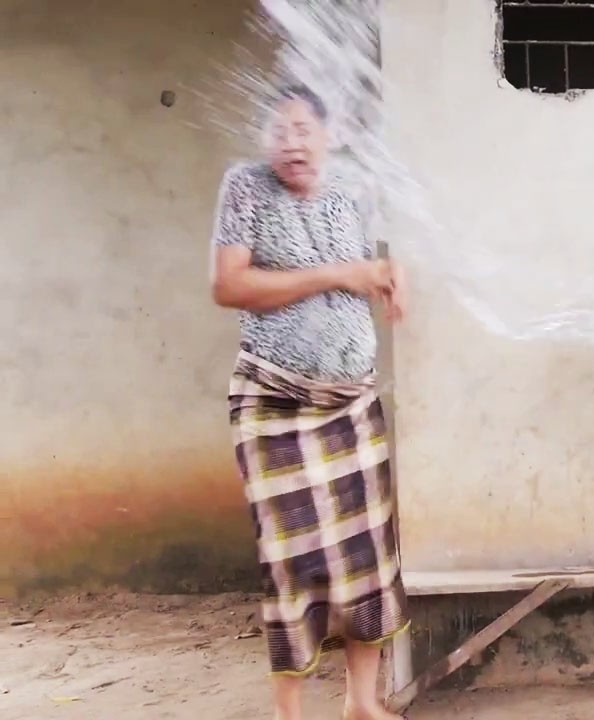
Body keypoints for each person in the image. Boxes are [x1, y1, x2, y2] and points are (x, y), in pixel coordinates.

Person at [210, 84, 408, 720]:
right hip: (274, 403)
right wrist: (337, 274)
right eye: (278, 131)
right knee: (291, 559)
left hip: (350, 401)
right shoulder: (245, 186)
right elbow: (229, 285)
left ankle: (361, 703)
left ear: (328, 135)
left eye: (302, 130)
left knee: (366, 555)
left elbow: (372, 265)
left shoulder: (350, 189)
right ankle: (288, 713)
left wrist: (389, 279)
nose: (291, 143)